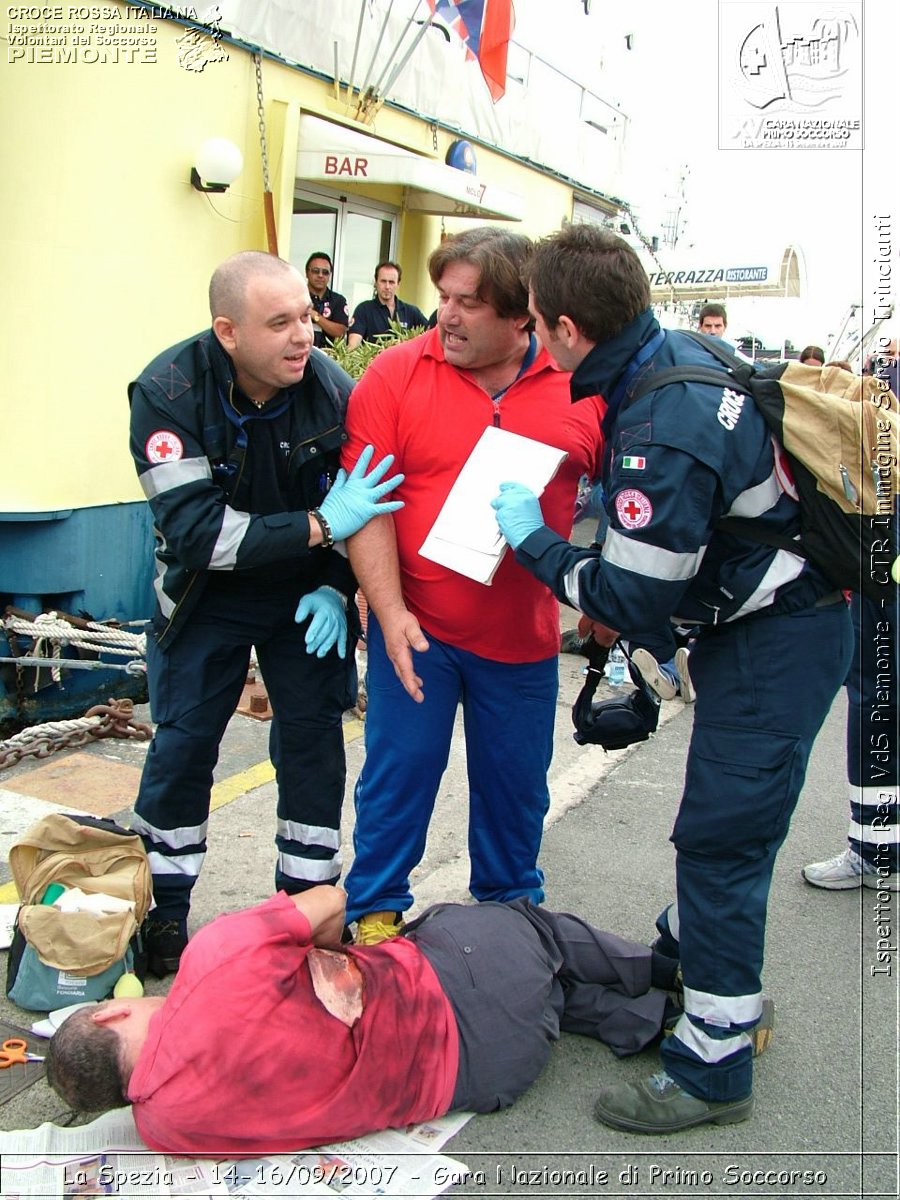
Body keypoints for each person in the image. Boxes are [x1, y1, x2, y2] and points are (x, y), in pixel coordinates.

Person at [491, 224, 852, 1134]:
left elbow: (630, 598)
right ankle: (692, 966)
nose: (531, 337)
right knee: (728, 831)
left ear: (569, 327)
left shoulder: (661, 417)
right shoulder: (671, 351)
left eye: (535, 322)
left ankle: (713, 1066)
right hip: (779, 624)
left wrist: (531, 538)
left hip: (781, 639)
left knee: (723, 842)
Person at [127, 251, 404, 978]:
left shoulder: (333, 392)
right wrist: (321, 526)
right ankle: (163, 909)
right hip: (205, 594)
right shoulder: (166, 393)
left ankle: (305, 908)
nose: (301, 336)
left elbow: (371, 505)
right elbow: (197, 534)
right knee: (183, 747)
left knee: (312, 746)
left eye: (306, 318)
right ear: (227, 331)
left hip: (303, 594)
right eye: (278, 322)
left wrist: (339, 583)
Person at [341, 226, 606, 945]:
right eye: (444, 297)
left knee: (515, 794)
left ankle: (509, 926)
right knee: (397, 781)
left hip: (521, 642)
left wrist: (613, 594)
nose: (446, 316)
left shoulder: (580, 384)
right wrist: (389, 612)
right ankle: (374, 916)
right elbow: (363, 507)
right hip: (416, 630)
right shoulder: (394, 375)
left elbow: (633, 488)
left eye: (469, 304)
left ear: (524, 316)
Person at [45, 885, 683, 1155]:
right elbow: (333, 902)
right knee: (527, 928)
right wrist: (313, 951)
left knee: (544, 996)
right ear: (111, 1012)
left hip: (489, 1076)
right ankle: (670, 974)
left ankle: (659, 1024)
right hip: (460, 989)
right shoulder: (212, 961)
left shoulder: (163, 1129)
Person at [346, 261, 428, 348]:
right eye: (383, 281)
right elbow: (353, 344)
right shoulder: (363, 310)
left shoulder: (411, 312)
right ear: (376, 282)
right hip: (374, 360)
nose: (387, 286)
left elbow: (430, 333)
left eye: (391, 282)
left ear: (398, 284)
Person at [304, 251, 349, 346]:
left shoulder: (338, 300)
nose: (320, 275)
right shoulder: (297, 296)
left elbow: (340, 332)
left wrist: (315, 316)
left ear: (330, 276)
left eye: (325, 272)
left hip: (327, 358)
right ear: (307, 272)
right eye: (316, 271)